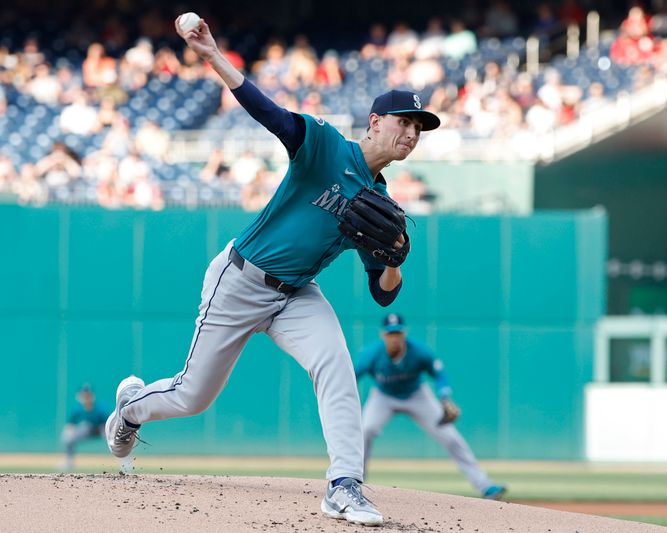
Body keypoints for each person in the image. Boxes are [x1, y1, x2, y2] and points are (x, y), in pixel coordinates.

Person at [103, 15, 441, 528]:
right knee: (193, 396)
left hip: (297, 295)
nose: (412, 133)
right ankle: (130, 407)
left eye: (418, 128)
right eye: (404, 121)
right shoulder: (327, 144)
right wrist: (214, 55)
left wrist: (394, 263)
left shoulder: (383, 205)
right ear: (375, 122)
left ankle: (344, 485)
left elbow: (382, 294)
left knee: (336, 366)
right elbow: (272, 115)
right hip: (240, 279)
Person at [355, 313, 508, 500]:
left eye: (397, 333)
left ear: (404, 334)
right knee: (366, 430)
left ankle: (485, 486)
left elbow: (439, 375)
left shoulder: (419, 351)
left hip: (417, 395)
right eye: (390, 334)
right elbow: (352, 376)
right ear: (383, 335)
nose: (394, 338)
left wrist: (445, 397)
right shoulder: (372, 354)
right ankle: (355, 484)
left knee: (451, 438)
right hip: (383, 397)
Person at [61, 384, 109, 471]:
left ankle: (126, 463)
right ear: (80, 396)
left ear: (92, 395)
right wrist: (68, 434)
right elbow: (70, 425)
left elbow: (110, 422)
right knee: (69, 437)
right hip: (88, 429)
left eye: (88, 395)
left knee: (117, 440)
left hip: (102, 429)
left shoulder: (100, 407)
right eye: (84, 395)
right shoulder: (77, 408)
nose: (86, 397)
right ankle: (69, 463)